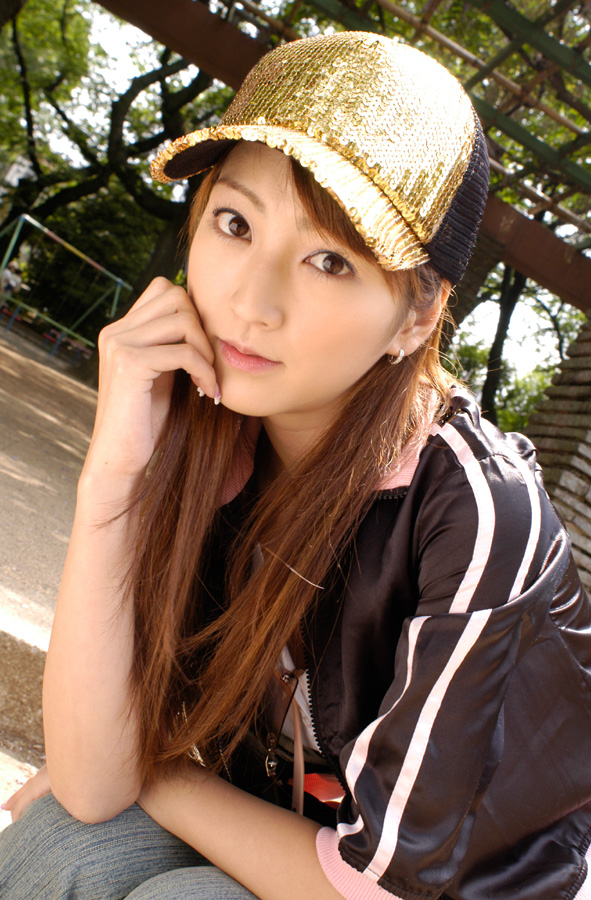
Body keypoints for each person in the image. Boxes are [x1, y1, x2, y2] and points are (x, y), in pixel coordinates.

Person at [1, 30, 591, 900]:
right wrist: (112, 477)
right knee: (60, 841)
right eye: (235, 223)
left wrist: (157, 771)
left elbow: (386, 886)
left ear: (415, 318)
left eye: (329, 260)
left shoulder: (477, 515)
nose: (251, 300)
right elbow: (92, 785)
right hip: (276, 822)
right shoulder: (201, 421)